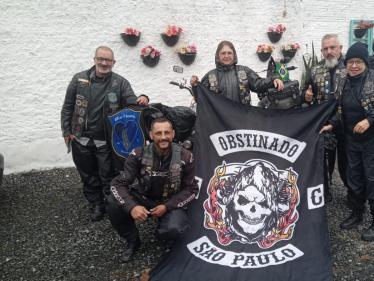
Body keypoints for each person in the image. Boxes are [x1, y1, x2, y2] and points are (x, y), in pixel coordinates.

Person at [320, 42, 374, 241]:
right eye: (350, 62)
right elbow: (343, 111)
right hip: (352, 141)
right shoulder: (344, 82)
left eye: (358, 62)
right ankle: (357, 213)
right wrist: (331, 124)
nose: (354, 66)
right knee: (353, 178)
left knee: (373, 180)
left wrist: (369, 120)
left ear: (365, 62)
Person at [61, 46, 149, 222]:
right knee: (87, 174)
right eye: (100, 59)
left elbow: (132, 103)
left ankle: (112, 205)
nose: (103, 63)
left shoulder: (120, 83)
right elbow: (68, 106)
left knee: (108, 174)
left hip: (106, 140)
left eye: (108, 60)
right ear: (94, 59)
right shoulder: (79, 79)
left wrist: (143, 98)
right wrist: (66, 131)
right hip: (80, 138)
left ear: (113, 63)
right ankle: (96, 204)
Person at [106, 117, 198, 262]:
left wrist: (167, 207)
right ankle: (133, 241)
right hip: (143, 200)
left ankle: (163, 233)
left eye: (167, 133)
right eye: (158, 133)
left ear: (173, 134)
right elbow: (117, 184)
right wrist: (132, 207)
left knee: (175, 229)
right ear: (151, 135)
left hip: (170, 202)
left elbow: (192, 189)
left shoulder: (186, 156)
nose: (163, 137)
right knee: (112, 203)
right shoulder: (137, 154)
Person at [303, 34, 348, 201]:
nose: (329, 52)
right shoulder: (315, 70)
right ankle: (324, 192)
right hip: (322, 124)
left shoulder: (349, 68)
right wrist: (306, 95)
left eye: (332, 47)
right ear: (322, 51)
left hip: (345, 124)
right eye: (325, 49)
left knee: (347, 163)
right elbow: (306, 91)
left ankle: (353, 195)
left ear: (340, 48)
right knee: (322, 161)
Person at [190, 40, 284, 105]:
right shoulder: (210, 76)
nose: (226, 56)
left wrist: (273, 78)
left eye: (229, 53)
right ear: (218, 56)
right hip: (219, 122)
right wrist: (195, 86)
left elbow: (258, 84)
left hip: (242, 120)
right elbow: (201, 99)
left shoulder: (244, 71)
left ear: (234, 55)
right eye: (223, 53)